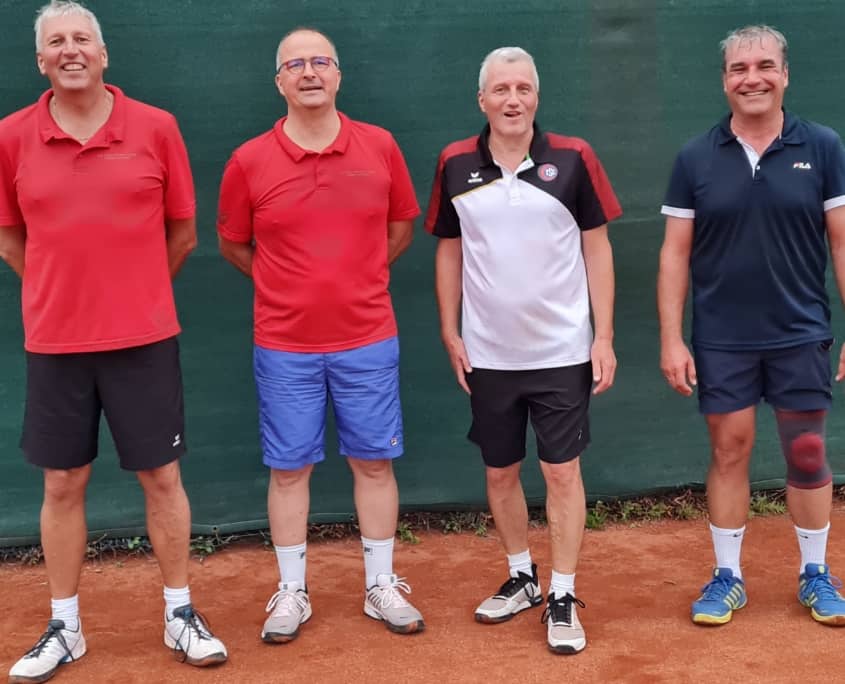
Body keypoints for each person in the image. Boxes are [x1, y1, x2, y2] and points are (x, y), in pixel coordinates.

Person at [0, 2, 229, 682]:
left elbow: (182, 234)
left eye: (82, 39)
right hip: (55, 344)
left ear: (104, 55)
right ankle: (65, 628)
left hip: (144, 340)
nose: (70, 50)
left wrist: (133, 293)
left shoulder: (156, 127)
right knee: (62, 482)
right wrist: (61, 290)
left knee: (162, 477)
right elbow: (10, 238)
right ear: (40, 61)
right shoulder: (10, 136)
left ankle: (180, 613)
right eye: (56, 42)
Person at [217, 27, 424, 643]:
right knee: (288, 471)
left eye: (320, 62)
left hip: (368, 337)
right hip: (284, 346)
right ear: (278, 81)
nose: (309, 72)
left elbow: (400, 228)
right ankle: (292, 592)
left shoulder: (380, 146)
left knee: (374, 462)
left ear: (338, 75)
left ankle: (381, 585)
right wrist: (285, 285)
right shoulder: (248, 160)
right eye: (295, 64)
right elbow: (234, 244)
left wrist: (358, 278)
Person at [425, 46, 620, 654]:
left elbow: (597, 248)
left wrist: (603, 336)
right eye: (501, 90)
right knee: (500, 471)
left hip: (562, 351)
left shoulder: (575, 157)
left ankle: (562, 591)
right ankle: (521, 577)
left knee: (561, 471)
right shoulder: (455, 162)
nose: (513, 100)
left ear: (537, 97)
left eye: (524, 89)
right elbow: (450, 249)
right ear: (482, 100)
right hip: (488, 355)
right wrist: (451, 330)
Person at [659, 24, 845, 627]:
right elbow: (675, 253)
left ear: (785, 75)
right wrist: (671, 338)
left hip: (800, 331)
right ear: (724, 82)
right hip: (723, 338)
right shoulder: (695, 157)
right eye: (739, 69)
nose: (752, 78)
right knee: (729, 449)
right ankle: (728, 577)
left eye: (765, 66)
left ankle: (815, 573)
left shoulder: (823, 147)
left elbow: (842, 243)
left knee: (808, 451)